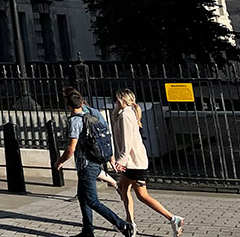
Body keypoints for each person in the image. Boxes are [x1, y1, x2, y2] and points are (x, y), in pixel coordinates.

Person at [56, 86, 132, 237]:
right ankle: (87, 231)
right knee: (83, 197)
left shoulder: (75, 121)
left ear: (69, 106)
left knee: (92, 201)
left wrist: (60, 161)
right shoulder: (92, 116)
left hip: (86, 165)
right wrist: (110, 157)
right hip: (95, 161)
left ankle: (123, 226)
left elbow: (71, 148)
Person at [113, 89, 185, 237]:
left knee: (142, 195)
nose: (114, 102)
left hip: (134, 162)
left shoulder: (126, 115)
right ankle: (130, 222)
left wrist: (121, 161)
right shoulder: (125, 113)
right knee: (123, 187)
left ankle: (172, 218)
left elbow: (127, 142)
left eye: (116, 99)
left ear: (121, 99)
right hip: (133, 161)